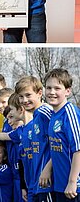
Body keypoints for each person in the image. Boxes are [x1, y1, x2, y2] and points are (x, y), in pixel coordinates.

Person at [0, 76, 54, 202]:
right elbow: (6, 136)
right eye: (21, 97)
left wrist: (47, 169)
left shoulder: (45, 111)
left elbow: (59, 141)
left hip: (45, 182)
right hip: (31, 183)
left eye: (28, 95)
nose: (24, 100)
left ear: (39, 93)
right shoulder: (23, 130)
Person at [44, 69, 80, 201]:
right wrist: (47, 169)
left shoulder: (70, 113)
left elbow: (78, 150)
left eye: (57, 88)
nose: (51, 92)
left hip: (74, 188)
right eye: (48, 88)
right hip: (60, 185)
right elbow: (60, 147)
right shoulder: (53, 115)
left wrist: (72, 181)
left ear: (67, 91)